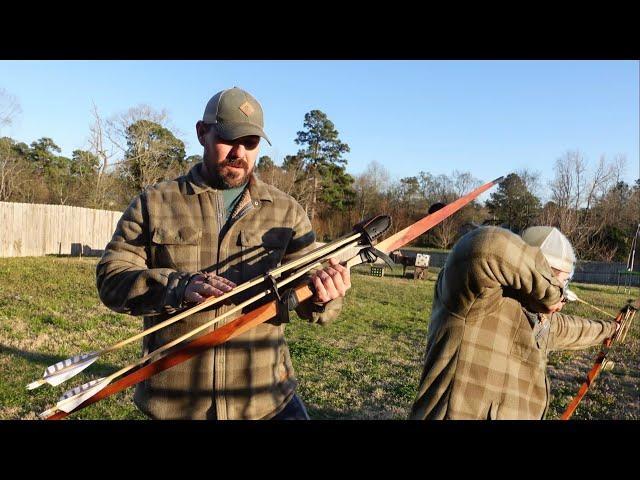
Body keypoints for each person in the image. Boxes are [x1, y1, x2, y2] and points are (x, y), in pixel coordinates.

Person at [96, 87, 351, 420]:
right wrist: (176, 287)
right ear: (202, 133)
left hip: (265, 400)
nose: (239, 152)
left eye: (250, 143)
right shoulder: (154, 202)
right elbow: (111, 278)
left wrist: (323, 297)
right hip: (176, 404)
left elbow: (310, 294)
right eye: (229, 139)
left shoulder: (288, 213)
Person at [409, 225, 619, 420]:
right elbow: (487, 245)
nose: (561, 297)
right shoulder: (478, 295)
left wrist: (611, 329)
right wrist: (553, 293)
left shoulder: (539, 318)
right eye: (556, 281)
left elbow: (571, 329)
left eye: (563, 284)